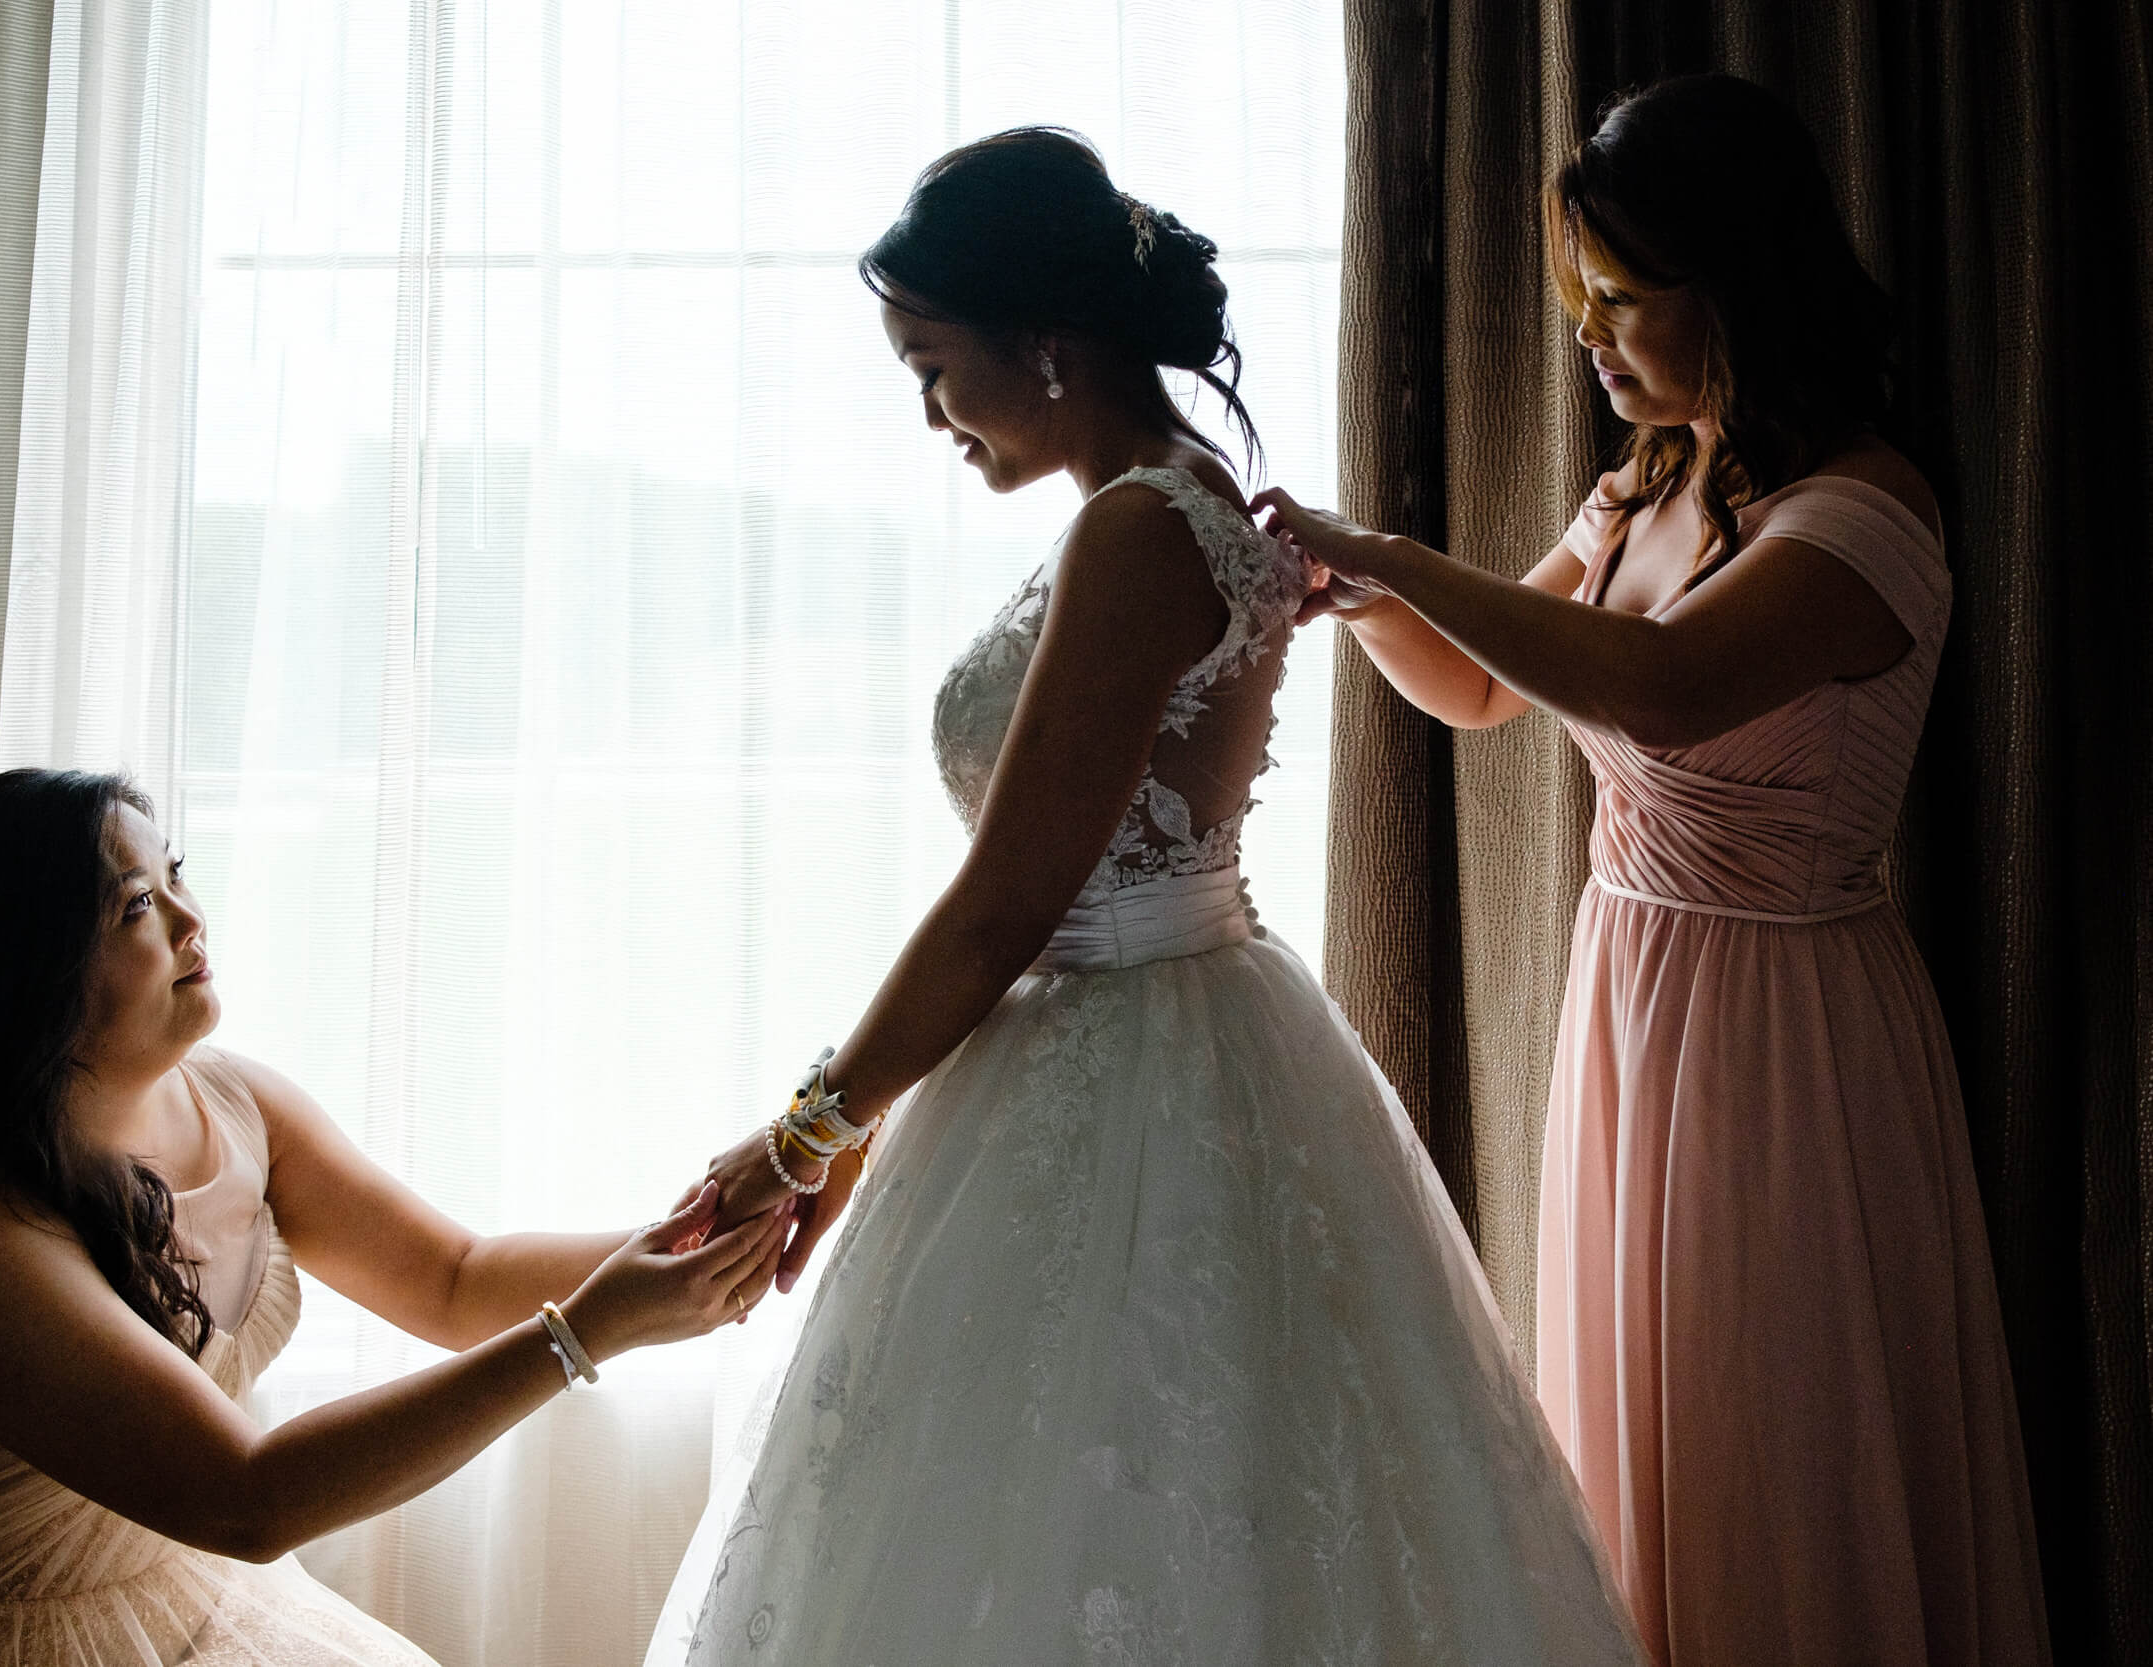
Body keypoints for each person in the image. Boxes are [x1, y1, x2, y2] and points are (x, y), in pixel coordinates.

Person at [644, 128, 1643, 1666]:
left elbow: (1008, 900)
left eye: (933, 366)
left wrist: (805, 1132)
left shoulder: (1138, 528)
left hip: (1118, 1053)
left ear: (1044, 343)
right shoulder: (1179, 500)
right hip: (1174, 1028)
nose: (929, 414)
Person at [1250, 75, 2049, 1667]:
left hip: (1784, 1028)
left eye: (1619, 298)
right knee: (1642, 1425)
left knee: (1769, 1425)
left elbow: (1658, 689)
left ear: (1736, 283)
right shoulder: (1650, 485)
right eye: (1579, 299)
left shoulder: (1863, 513)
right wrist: (1360, 598)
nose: (1588, 335)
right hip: (1629, 997)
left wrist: (1402, 554)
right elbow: (1481, 690)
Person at [0, 768, 785, 1667]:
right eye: (136, 906)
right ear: (30, 971)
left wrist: (698, 1228)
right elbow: (247, 1499)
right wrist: (583, 1333)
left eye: (174, 876)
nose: (191, 919)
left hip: (167, 1597)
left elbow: (454, 1278)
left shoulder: (233, 1103)